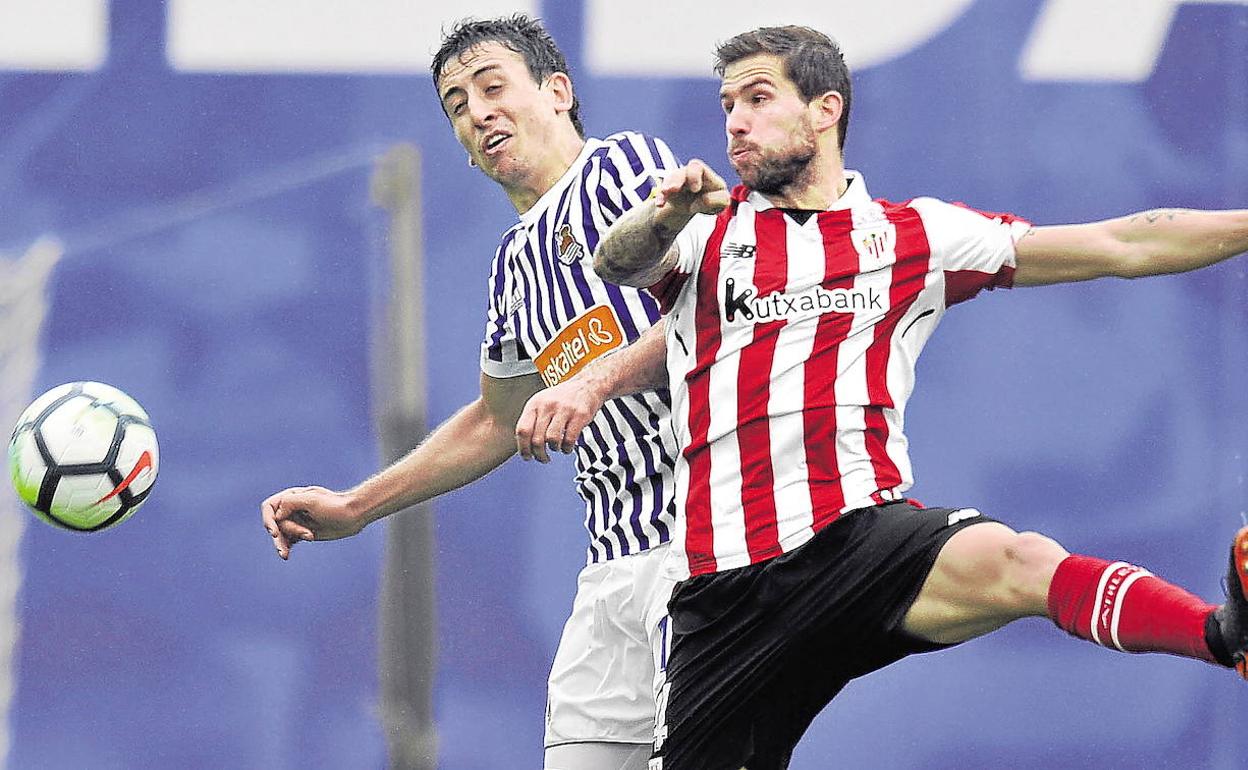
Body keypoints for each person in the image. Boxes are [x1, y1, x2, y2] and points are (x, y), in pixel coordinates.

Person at [570, 25, 1248, 770]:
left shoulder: (911, 236)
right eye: (728, 103)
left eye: (759, 98)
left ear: (825, 109)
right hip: (726, 595)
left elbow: (1124, 243)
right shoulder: (707, 233)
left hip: (858, 546)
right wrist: (665, 214)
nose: (736, 120)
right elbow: (617, 262)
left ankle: (1222, 635)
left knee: (1019, 560)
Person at [260, 15, 682, 770]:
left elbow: (709, 313)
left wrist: (591, 384)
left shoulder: (622, 167)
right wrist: (356, 506)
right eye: (457, 104)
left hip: (703, 546)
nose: (476, 112)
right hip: (613, 569)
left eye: (493, 87)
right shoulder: (514, 266)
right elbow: (496, 418)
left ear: (557, 93)